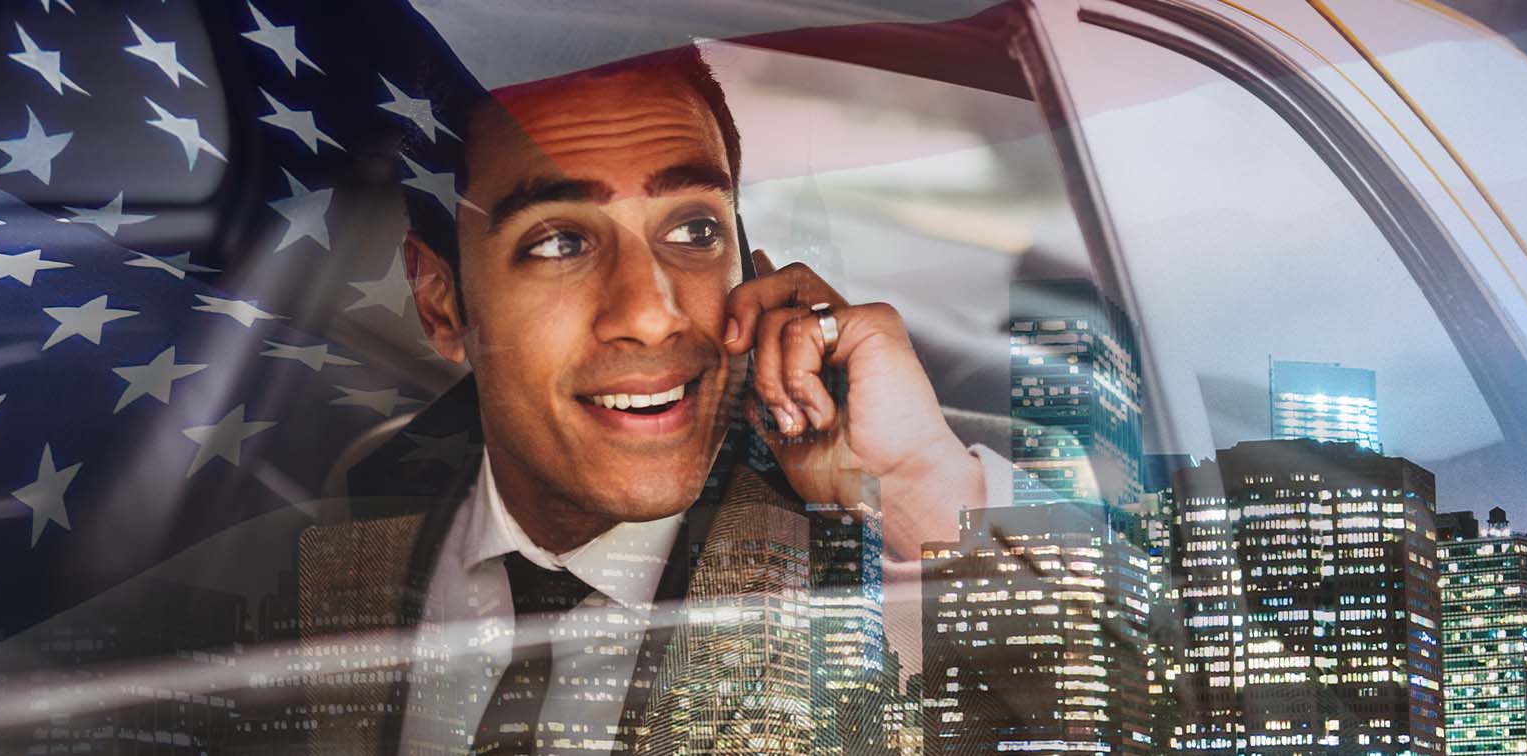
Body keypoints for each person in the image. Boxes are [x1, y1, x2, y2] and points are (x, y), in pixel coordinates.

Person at [300, 43, 1013, 754]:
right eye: (558, 243)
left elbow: (1076, 710)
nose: (652, 314)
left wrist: (917, 483)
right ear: (442, 304)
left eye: (695, 231)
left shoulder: (885, 534)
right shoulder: (373, 493)